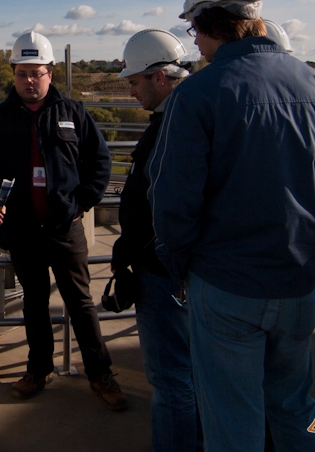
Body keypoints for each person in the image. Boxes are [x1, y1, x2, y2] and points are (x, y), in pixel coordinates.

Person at [146, 0, 315, 451]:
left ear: (207, 22)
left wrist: (181, 269)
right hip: (298, 285)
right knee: (297, 410)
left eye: (193, 28)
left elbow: (174, 203)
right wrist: (302, 248)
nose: (193, 41)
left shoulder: (197, 95)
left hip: (226, 288)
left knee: (233, 425)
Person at [0, 31, 129, 411]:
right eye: (22, 73)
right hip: (22, 231)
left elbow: (100, 163)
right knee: (34, 304)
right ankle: (38, 370)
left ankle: (100, 374)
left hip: (65, 229)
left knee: (81, 303)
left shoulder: (75, 114)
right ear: (13, 73)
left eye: (36, 73)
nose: (29, 80)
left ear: (50, 73)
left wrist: (81, 204)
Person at [110, 29, 200, 451]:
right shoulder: (187, 118)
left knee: (172, 378)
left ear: (160, 77)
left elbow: (171, 200)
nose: (130, 92)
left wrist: (142, 251)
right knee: (189, 373)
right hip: (171, 267)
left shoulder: (176, 127)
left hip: (165, 273)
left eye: (133, 82)